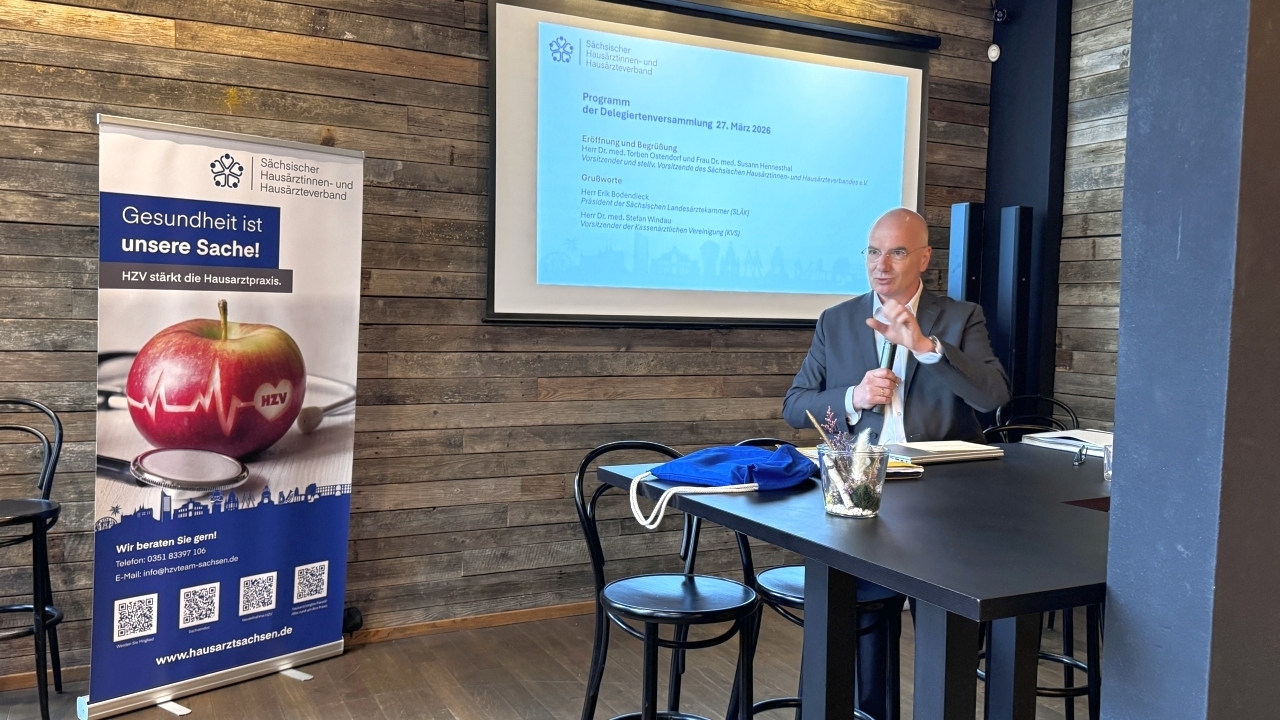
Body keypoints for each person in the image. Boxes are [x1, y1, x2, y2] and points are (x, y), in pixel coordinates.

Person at [781, 207, 1011, 719]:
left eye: (897, 252)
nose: (880, 265)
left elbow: (993, 396)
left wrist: (926, 348)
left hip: (946, 506)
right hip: (862, 503)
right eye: (873, 251)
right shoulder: (837, 320)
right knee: (860, 629)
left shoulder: (960, 317)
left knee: (945, 638)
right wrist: (854, 397)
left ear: (924, 258)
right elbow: (795, 405)